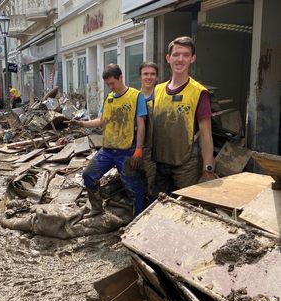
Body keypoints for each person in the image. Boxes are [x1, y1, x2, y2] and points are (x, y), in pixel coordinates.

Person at [69, 64, 147, 217]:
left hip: (127, 151)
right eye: (107, 84)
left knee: (133, 186)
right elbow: (102, 121)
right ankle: (97, 208)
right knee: (89, 175)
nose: (110, 87)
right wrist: (81, 124)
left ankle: (138, 217)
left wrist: (138, 149)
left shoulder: (136, 96)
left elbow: (141, 124)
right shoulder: (109, 99)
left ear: (121, 77)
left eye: (112, 83)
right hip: (108, 150)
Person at [152, 36, 214, 194]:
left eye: (186, 55)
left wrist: (208, 168)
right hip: (159, 162)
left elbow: (206, 134)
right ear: (168, 58)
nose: (180, 59)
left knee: (186, 208)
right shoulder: (157, 90)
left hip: (186, 165)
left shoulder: (199, 92)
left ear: (193, 58)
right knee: (160, 208)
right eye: (176, 54)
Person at [139, 62, 159, 201]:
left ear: (157, 77)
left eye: (152, 74)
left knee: (154, 183)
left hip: (158, 149)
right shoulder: (134, 97)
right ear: (140, 76)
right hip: (138, 149)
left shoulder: (162, 97)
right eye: (146, 73)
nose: (149, 77)